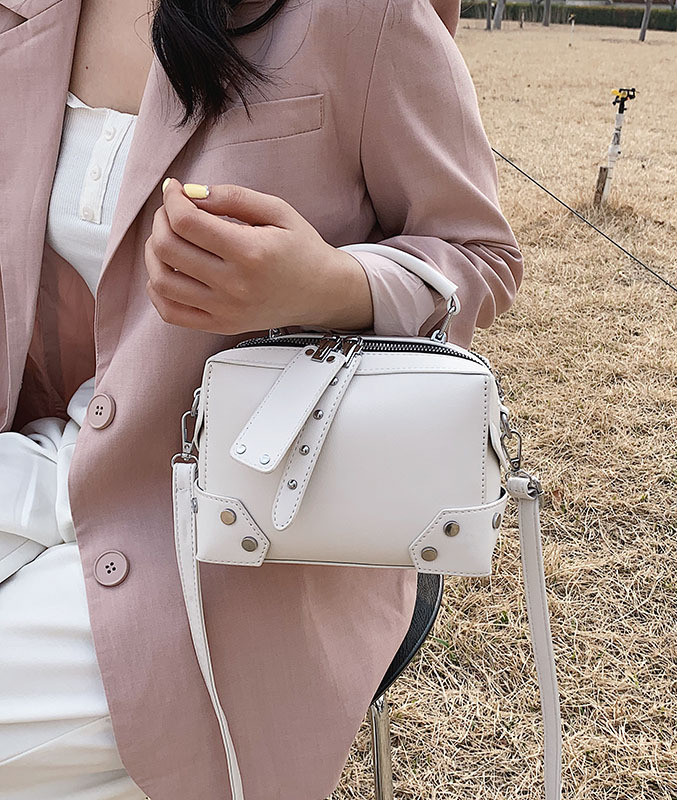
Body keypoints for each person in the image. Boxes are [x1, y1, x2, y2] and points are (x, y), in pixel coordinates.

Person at [0, 0, 524, 797]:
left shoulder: (363, 14)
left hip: (242, 518)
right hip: (37, 459)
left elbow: (480, 255)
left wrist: (328, 283)